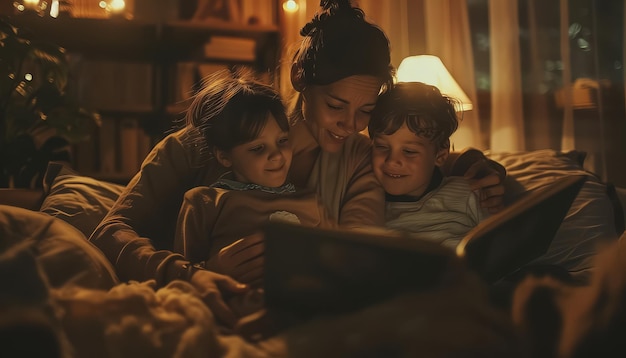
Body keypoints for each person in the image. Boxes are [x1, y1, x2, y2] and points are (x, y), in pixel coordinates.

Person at [90, 0, 505, 329]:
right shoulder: (208, 141)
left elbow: (364, 241)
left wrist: (472, 161)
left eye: (366, 111)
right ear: (300, 79)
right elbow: (108, 231)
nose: (350, 124)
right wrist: (191, 272)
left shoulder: (360, 157)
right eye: (336, 106)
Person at [173, 69, 336, 289]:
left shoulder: (311, 200)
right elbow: (182, 278)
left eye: (283, 141)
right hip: (236, 304)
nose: (277, 155)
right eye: (258, 148)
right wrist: (210, 268)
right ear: (224, 156)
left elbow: (338, 264)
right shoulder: (205, 202)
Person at [368, 81, 491, 248]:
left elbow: (501, 247)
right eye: (382, 147)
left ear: (440, 155)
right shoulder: (366, 201)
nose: (391, 161)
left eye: (409, 151)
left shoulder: (467, 193)